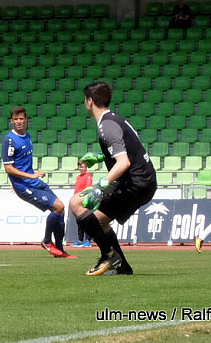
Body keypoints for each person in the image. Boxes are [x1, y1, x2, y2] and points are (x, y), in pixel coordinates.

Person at [70, 81, 158, 276]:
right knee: (98, 221)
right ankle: (122, 267)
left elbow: (124, 162)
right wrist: (101, 157)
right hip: (144, 180)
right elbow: (129, 149)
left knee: (76, 203)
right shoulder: (116, 119)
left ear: (90, 101)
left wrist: (101, 185)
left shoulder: (106, 126)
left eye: (85, 100)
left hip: (135, 183)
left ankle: (109, 256)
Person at [2, 105, 75, 259]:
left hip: (33, 182)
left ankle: (60, 250)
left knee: (61, 209)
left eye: (21, 118)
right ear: (11, 121)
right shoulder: (9, 140)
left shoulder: (27, 136)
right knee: (58, 206)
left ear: (26, 120)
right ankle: (47, 241)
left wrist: (32, 176)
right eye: (16, 119)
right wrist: (30, 176)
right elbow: (8, 168)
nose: (19, 121)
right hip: (24, 186)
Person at [68, 160, 93, 247]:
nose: (81, 168)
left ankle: (88, 240)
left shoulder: (88, 176)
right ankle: (80, 239)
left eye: (83, 167)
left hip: (83, 200)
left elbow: (88, 189)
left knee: (87, 221)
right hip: (77, 201)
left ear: (86, 168)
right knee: (79, 221)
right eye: (80, 167)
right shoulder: (78, 177)